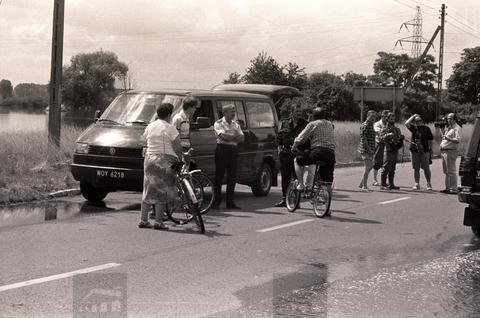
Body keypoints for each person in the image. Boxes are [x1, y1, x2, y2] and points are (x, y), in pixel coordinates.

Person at [139, 103, 183, 230]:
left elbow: (143, 141)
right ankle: (158, 222)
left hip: (149, 159)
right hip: (164, 160)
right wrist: (181, 157)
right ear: (169, 115)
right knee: (162, 190)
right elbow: (178, 146)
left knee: (147, 189)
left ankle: (143, 220)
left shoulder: (150, 126)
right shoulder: (170, 128)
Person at [292, 107, 335, 193]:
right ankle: (326, 198)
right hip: (330, 153)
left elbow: (301, 139)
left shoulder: (312, 124)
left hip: (318, 151)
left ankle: (301, 184)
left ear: (313, 116)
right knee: (327, 182)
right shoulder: (330, 124)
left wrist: (294, 146)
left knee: (297, 160)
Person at [212, 104, 245, 209]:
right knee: (219, 176)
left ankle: (230, 202)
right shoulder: (218, 123)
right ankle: (216, 201)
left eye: (234, 111)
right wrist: (235, 136)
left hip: (233, 151)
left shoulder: (236, 124)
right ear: (225, 112)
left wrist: (230, 136)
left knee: (232, 177)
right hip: (222, 150)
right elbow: (222, 136)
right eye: (232, 111)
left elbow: (242, 138)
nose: (234, 113)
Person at [274, 106, 308, 207]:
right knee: (285, 177)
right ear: (292, 112)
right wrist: (280, 147)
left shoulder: (305, 124)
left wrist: (304, 151)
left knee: (297, 177)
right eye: (297, 111)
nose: (299, 113)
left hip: (297, 153)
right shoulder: (285, 123)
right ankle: (285, 199)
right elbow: (279, 136)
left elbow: (308, 139)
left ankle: (296, 201)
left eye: (300, 111)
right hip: (285, 153)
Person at [405, 114, 433, 190]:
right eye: (416, 121)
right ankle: (417, 183)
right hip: (414, 150)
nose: (418, 122)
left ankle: (428, 183)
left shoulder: (427, 129)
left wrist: (431, 150)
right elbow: (406, 123)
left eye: (419, 120)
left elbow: (430, 140)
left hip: (425, 150)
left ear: (422, 121)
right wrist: (413, 116)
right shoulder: (414, 128)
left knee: (426, 168)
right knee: (416, 168)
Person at [380, 112, 404, 190]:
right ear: (387, 119)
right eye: (391, 119)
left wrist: (401, 137)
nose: (393, 120)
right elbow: (381, 138)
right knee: (386, 166)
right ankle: (383, 185)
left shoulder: (396, 127)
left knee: (393, 168)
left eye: (394, 119)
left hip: (395, 149)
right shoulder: (385, 127)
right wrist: (388, 135)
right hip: (388, 149)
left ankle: (391, 184)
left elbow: (398, 137)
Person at [439, 113, 462, 194]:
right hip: (444, 151)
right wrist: (442, 130)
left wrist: (448, 138)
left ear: (454, 119)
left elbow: (458, 140)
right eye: (448, 118)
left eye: (450, 118)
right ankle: (448, 188)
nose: (448, 120)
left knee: (451, 171)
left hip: (450, 151)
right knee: (446, 171)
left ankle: (454, 189)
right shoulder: (449, 128)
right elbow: (444, 138)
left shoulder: (457, 128)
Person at [358, 110, 377, 191]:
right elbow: (364, 139)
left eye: (374, 116)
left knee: (369, 167)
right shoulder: (366, 125)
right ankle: (364, 186)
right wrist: (369, 149)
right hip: (366, 149)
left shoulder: (370, 125)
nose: (373, 118)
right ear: (367, 116)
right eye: (372, 116)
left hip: (370, 148)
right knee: (368, 167)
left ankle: (361, 184)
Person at [372, 110, 389, 186]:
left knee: (386, 163)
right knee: (377, 162)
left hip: (388, 144)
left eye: (388, 117)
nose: (387, 118)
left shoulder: (390, 124)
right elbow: (378, 132)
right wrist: (387, 129)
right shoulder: (377, 124)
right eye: (386, 117)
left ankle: (385, 180)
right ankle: (374, 180)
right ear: (382, 116)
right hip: (379, 144)